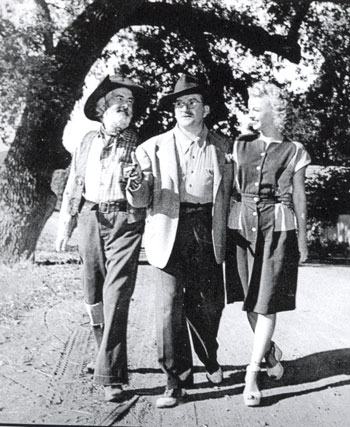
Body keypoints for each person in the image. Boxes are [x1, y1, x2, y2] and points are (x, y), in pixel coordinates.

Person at [126, 74, 234, 408]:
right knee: (168, 306)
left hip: (208, 228)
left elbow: (238, 191)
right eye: (179, 103)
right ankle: (174, 380)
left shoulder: (225, 147)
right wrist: (134, 186)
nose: (185, 108)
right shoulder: (151, 147)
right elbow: (141, 199)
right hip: (167, 230)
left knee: (208, 303)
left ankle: (210, 356)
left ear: (206, 109)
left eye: (192, 102)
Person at [55, 72, 147, 402]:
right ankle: (104, 355)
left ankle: (110, 375)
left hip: (125, 220)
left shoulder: (140, 143)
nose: (126, 107)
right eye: (119, 101)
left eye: (130, 103)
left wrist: (137, 183)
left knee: (117, 293)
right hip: (90, 217)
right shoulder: (85, 142)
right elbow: (72, 185)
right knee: (93, 293)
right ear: (102, 107)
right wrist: (66, 226)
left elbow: (145, 194)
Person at [227, 81, 310, 406]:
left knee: (266, 302)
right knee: (250, 301)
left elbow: (300, 197)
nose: (249, 112)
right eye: (249, 106)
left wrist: (303, 239)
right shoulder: (239, 145)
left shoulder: (294, 150)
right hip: (243, 228)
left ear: (274, 112)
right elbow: (228, 189)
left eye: (255, 107)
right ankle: (271, 354)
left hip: (278, 229)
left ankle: (252, 373)